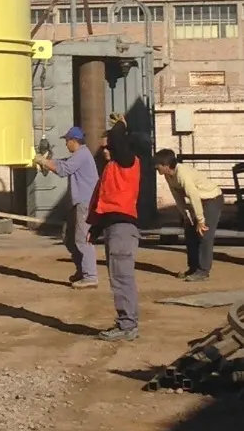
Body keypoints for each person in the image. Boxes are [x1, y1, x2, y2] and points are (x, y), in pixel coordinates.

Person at [90, 123, 142, 341]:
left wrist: (120, 123)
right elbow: (103, 203)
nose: (104, 151)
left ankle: (127, 325)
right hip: (114, 228)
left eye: (107, 146)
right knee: (118, 277)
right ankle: (126, 323)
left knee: (122, 278)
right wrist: (95, 229)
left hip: (122, 229)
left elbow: (119, 139)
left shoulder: (127, 162)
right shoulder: (110, 170)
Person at [35, 124, 100, 287]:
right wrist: (48, 162)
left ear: (74, 141)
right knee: (70, 239)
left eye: (67, 141)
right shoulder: (80, 155)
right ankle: (82, 270)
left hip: (85, 203)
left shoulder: (82, 154)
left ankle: (90, 276)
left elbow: (64, 170)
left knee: (82, 239)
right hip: (78, 203)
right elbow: (63, 163)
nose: (66, 144)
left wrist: (44, 161)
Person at [154, 149, 224, 281]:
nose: (156, 167)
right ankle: (193, 268)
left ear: (166, 165)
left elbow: (194, 196)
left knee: (204, 234)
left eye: (158, 164)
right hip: (197, 202)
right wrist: (185, 214)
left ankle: (203, 271)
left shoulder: (183, 174)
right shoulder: (168, 176)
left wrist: (200, 220)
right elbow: (177, 196)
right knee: (190, 232)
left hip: (211, 199)